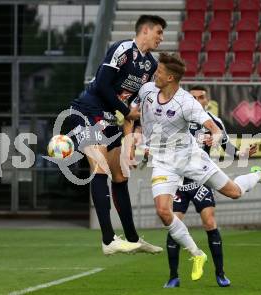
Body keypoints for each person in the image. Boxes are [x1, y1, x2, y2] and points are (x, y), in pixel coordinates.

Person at [129, 52, 261, 282]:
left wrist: (215, 137)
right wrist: (123, 119)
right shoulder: (147, 90)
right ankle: (196, 254)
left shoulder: (187, 103)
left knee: (234, 192)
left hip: (191, 159)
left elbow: (216, 129)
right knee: (163, 212)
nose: (155, 74)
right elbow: (134, 113)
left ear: (171, 77)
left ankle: (258, 175)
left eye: (160, 71)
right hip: (163, 162)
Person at [69, 15, 166, 255]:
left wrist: (131, 137)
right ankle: (108, 239)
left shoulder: (150, 65)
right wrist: (126, 112)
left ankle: (133, 240)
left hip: (110, 117)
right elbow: (102, 85)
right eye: (159, 32)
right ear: (145, 30)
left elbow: (134, 105)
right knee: (99, 169)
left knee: (121, 176)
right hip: (87, 111)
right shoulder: (122, 49)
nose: (161, 38)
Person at [163, 85, 257, 288]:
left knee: (209, 221)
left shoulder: (213, 122)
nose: (197, 99)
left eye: (201, 97)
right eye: (193, 96)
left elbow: (228, 149)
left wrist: (243, 154)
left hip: (200, 180)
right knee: (174, 225)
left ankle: (220, 274)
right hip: (178, 181)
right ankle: (173, 276)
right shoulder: (178, 117)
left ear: (207, 101)